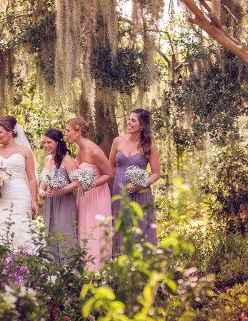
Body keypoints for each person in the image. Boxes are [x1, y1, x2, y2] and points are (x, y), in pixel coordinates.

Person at [0, 115, 40, 249]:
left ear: (10, 132)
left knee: (20, 229)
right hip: (0, 197)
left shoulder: (25, 151)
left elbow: (32, 178)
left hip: (20, 195)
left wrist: (34, 201)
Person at [110, 108, 161, 253]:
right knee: (122, 225)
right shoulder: (117, 141)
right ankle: (122, 263)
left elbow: (156, 173)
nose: (129, 122)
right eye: (129, 119)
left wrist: (141, 184)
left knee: (140, 225)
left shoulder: (149, 146)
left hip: (141, 192)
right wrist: (120, 183)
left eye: (133, 120)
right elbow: (111, 168)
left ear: (142, 125)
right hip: (120, 192)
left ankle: (144, 265)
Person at [65, 117, 112, 269]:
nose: (66, 134)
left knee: (95, 231)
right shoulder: (78, 149)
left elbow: (109, 173)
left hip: (97, 196)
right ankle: (85, 271)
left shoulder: (93, 150)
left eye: (68, 131)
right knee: (84, 231)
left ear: (78, 132)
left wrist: (91, 184)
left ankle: (98, 271)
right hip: (83, 196)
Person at [39, 128, 79, 261]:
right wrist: (41, 191)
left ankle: (69, 268)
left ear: (58, 142)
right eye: (44, 143)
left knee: (64, 232)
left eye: (49, 142)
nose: (46, 146)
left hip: (64, 201)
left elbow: (76, 183)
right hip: (50, 202)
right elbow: (45, 180)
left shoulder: (67, 160)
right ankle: (52, 268)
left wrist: (59, 191)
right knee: (50, 232)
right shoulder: (47, 160)